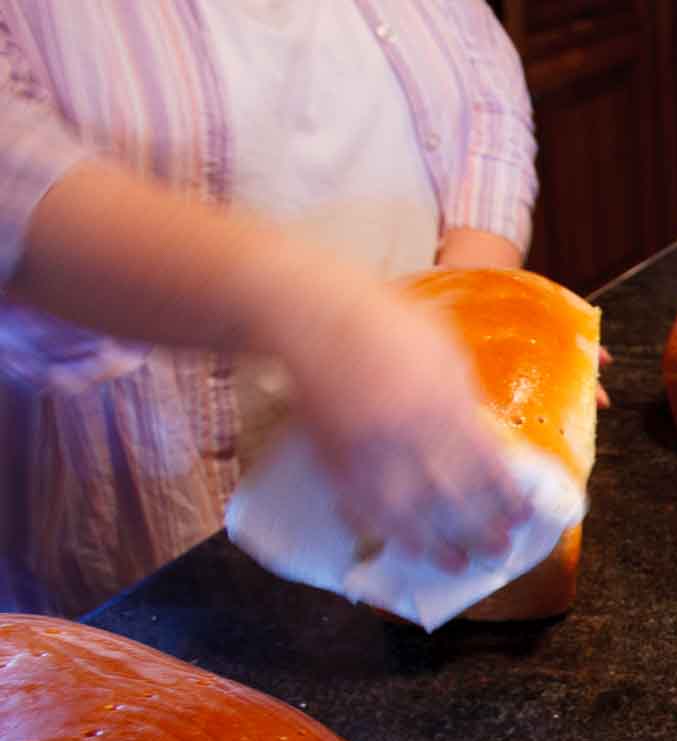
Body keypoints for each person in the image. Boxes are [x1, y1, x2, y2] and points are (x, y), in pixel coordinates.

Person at [1, 1, 548, 617]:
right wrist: (325, 322)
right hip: (149, 572)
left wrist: (478, 308)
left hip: (417, 552)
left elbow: (483, 90)